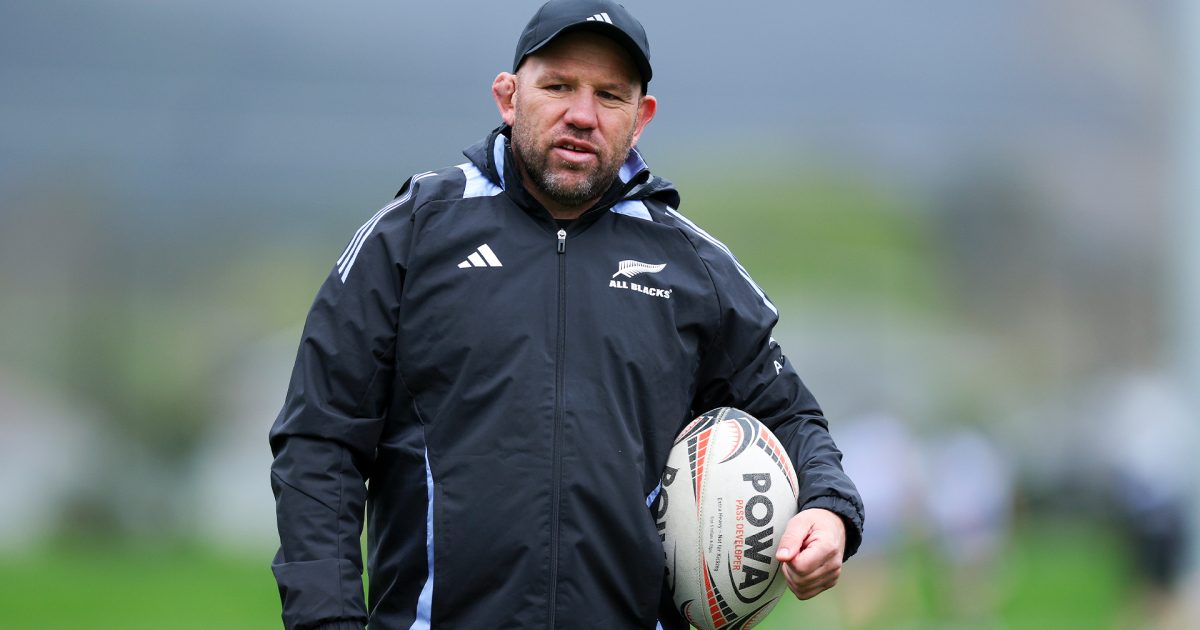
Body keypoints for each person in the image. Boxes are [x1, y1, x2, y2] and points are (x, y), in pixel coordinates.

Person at [269, 1, 864, 628]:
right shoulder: (413, 235)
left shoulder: (695, 268)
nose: (582, 114)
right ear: (508, 96)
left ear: (641, 118)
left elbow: (789, 416)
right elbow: (320, 442)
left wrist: (827, 507)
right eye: (558, 86)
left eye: (609, 95)